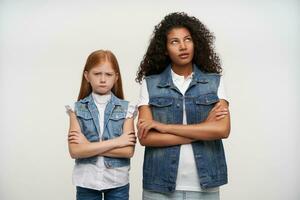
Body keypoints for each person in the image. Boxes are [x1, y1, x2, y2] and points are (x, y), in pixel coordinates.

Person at [136, 12, 231, 200]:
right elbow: (146, 138)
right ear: (164, 49)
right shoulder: (150, 84)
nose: (183, 46)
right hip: (159, 186)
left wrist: (164, 127)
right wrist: (203, 130)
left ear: (196, 43)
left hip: (205, 186)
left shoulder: (214, 82)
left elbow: (222, 129)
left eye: (187, 39)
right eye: (174, 42)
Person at [65, 50, 136, 200]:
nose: (103, 79)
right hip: (86, 181)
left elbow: (128, 151)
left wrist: (88, 147)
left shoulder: (127, 109)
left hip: (117, 181)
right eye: (97, 74)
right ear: (87, 76)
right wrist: (118, 142)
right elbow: (75, 151)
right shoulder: (76, 109)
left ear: (116, 77)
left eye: (108, 75)